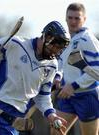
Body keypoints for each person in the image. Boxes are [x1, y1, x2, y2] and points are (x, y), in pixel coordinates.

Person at [50, 2, 99, 135]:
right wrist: (57, 77)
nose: (73, 21)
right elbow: (61, 65)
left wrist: (74, 85)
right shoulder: (67, 41)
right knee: (56, 132)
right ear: (65, 18)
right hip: (67, 95)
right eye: (70, 17)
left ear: (84, 19)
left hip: (87, 96)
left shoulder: (87, 39)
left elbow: (97, 70)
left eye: (77, 18)